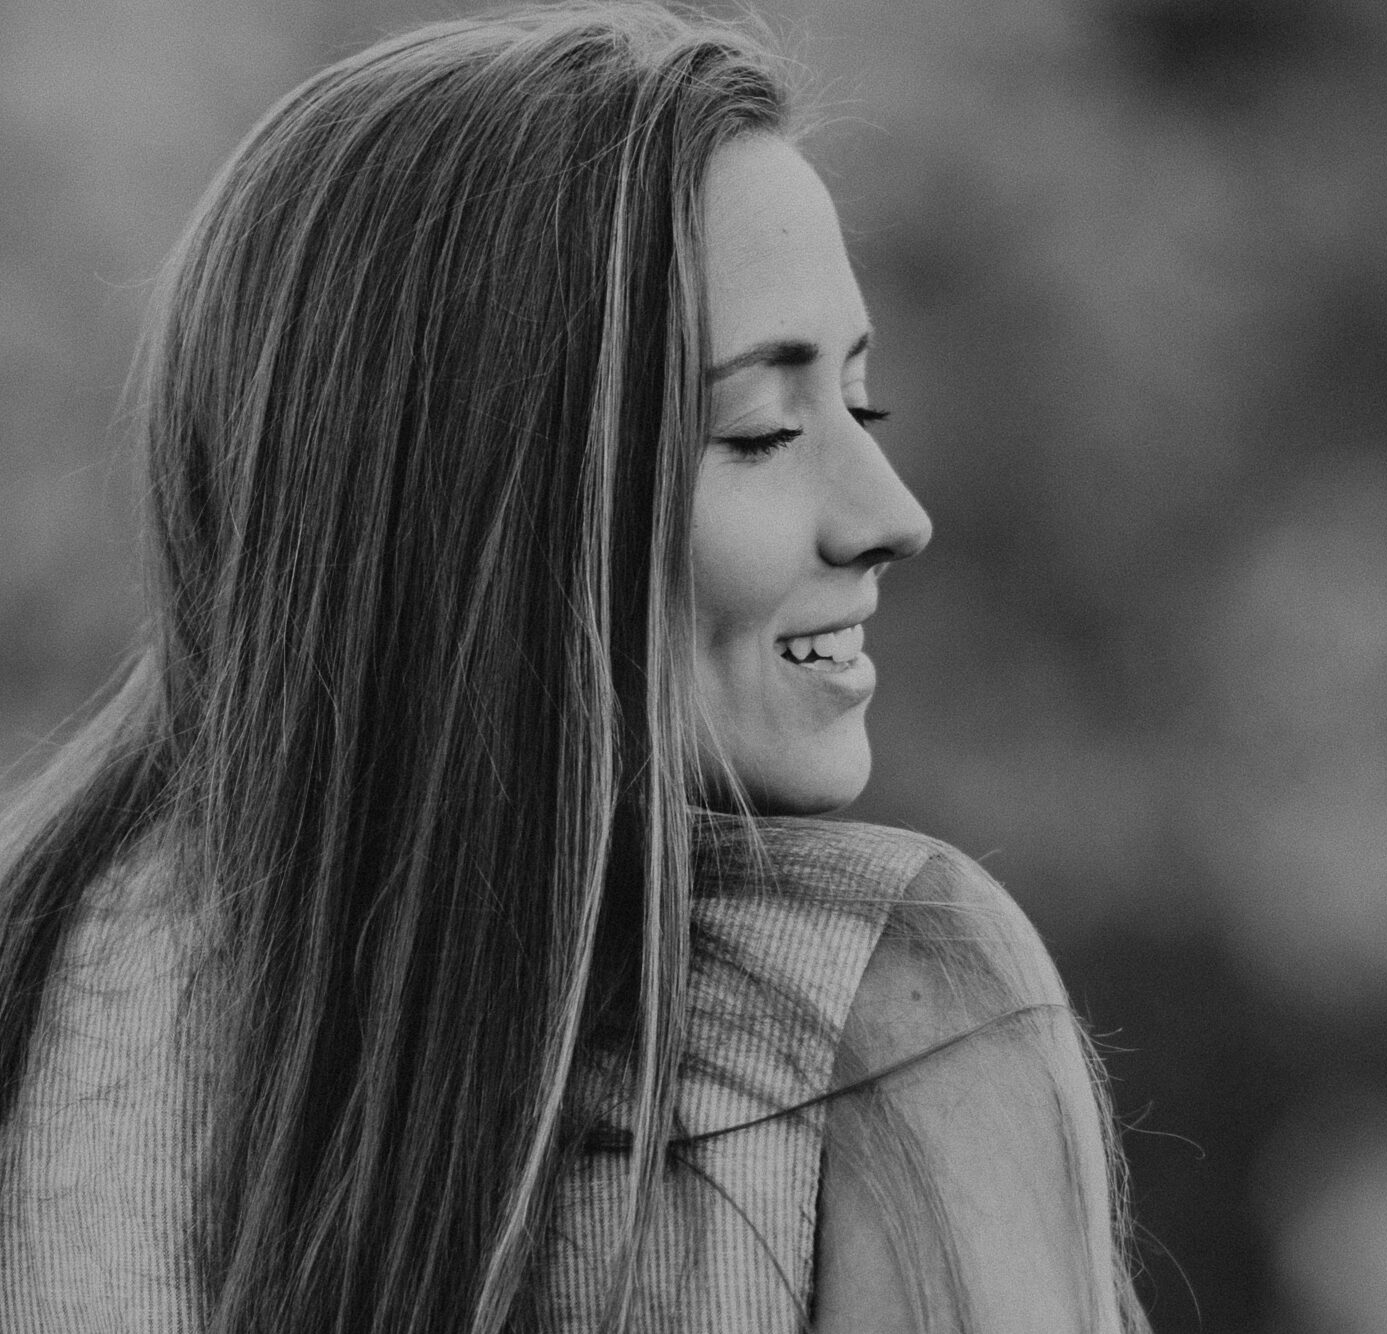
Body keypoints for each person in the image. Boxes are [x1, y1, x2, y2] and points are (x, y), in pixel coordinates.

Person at [0, 4, 1149, 1331]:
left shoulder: (41, 987)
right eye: (764, 428)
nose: (893, 513)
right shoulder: (882, 1009)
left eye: (860, 401)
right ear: (483, 506)